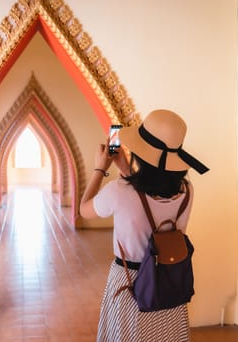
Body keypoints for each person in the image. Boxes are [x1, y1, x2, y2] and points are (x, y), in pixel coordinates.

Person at [80, 109, 209, 342]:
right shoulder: (186, 190)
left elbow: (84, 210)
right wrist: (124, 169)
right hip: (169, 281)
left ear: (140, 154)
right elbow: (150, 199)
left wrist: (100, 168)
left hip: (130, 283)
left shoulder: (119, 192)